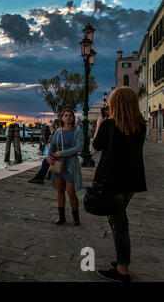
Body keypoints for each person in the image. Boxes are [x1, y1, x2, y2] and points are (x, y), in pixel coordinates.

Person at [93, 87, 147, 283]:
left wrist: (100, 123)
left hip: (112, 181)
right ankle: (121, 259)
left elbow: (96, 146)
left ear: (115, 104)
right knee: (117, 219)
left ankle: (123, 269)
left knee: (120, 223)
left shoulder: (109, 125)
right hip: (132, 181)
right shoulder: (141, 126)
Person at [47, 109, 83, 226]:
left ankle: (76, 218)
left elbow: (78, 148)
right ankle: (61, 217)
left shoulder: (78, 132)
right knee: (60, 191)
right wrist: (49, 157)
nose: (67, 117)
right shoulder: (58, 132)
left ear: (73, 118)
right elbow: (51, 147)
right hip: (58, 166)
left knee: (71, 192)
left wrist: (62, 153)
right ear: (62, 118)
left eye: (70, 116)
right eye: (65, 115)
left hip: (70, 167)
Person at [28, 119, 60, 184]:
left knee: (46, 161)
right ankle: (48, 176)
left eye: (54, 126)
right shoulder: (55, 134)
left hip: (59, 153)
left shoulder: (58, 133)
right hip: (55, 153)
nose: (53, 128)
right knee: (46, 161)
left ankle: (39, 177)